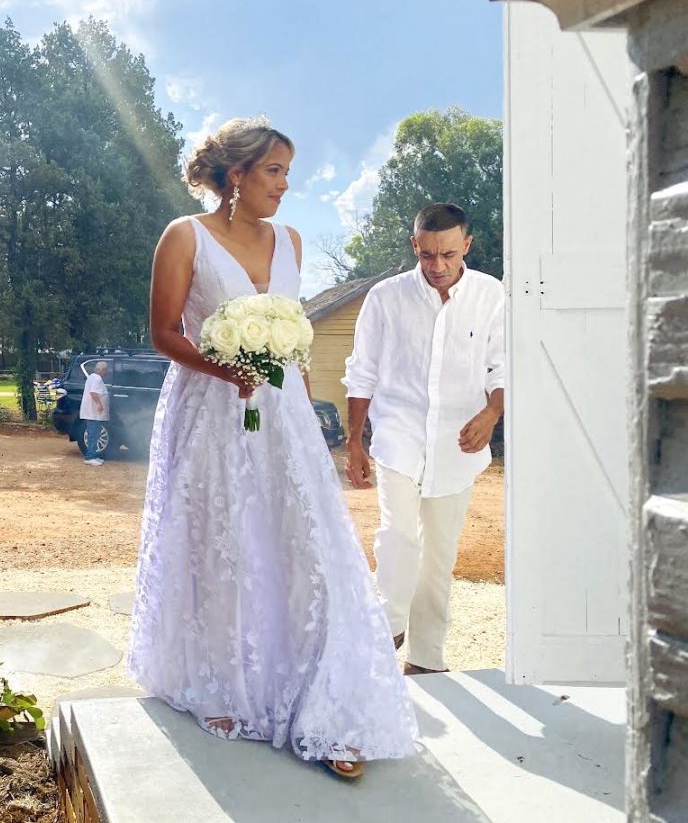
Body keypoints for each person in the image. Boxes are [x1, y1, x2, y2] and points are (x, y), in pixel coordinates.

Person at [128, 117, 417, 780]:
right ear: (236, 176)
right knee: (222, 539)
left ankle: (327, 693)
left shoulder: (291, 240)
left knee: (307, 543)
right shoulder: (184, 237)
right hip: (210, 405)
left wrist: (309, 409)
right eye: (274, 172)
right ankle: (221, 681)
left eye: (287, 172)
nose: (285, 186)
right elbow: (163, 331)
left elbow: (294, 336)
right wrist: (225, 370)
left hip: (282, 409)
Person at [343, 202, 505, 676]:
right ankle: (384, 633)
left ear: (466, 246)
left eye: (448, 255)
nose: (437, 266)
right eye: (428, 254)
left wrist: (492, 412)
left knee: (439, 555)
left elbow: (501, 364)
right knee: (397, 534)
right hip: (398, 434)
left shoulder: (491, 295)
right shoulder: (384, 297)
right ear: (415, 244)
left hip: (459, 444)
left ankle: (426, 661)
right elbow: (362, 371)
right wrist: (354, 440)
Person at [79, 361, 109, 466]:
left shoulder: (92, 377)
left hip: (93, 412)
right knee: (93, 434)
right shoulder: (97, 378)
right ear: (101, 370)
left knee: (95, 434)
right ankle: (89, 457)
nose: (106, 372)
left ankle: (93, 455)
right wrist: (100, 404)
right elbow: (93, 393)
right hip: (93, 412)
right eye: (105, 370)